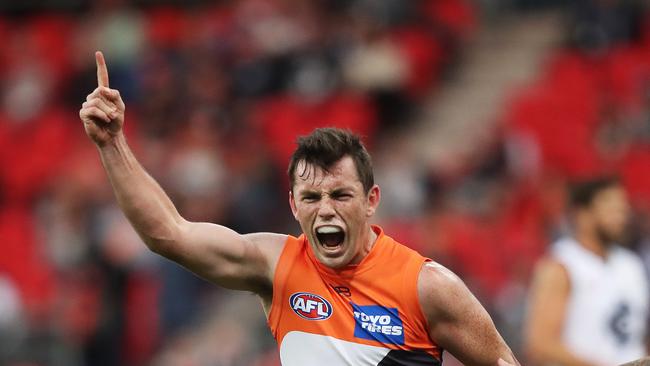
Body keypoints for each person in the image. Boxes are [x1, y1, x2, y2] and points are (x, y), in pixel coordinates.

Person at [80, 51, 519, 366]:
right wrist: (113, 143)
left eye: (341, 195)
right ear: (293, 204)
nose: (325, 209)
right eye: (311, 198)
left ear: (371, 201)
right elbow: (168, 233)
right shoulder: (276, 264)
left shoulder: (428, 286)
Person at [524, 176, 650, 365]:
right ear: (582, 214)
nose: (620, 217)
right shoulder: (562, 265)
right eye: (611, 209)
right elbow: (541, 345)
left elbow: (639, 334)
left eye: (622, 210)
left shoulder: (631, 265)